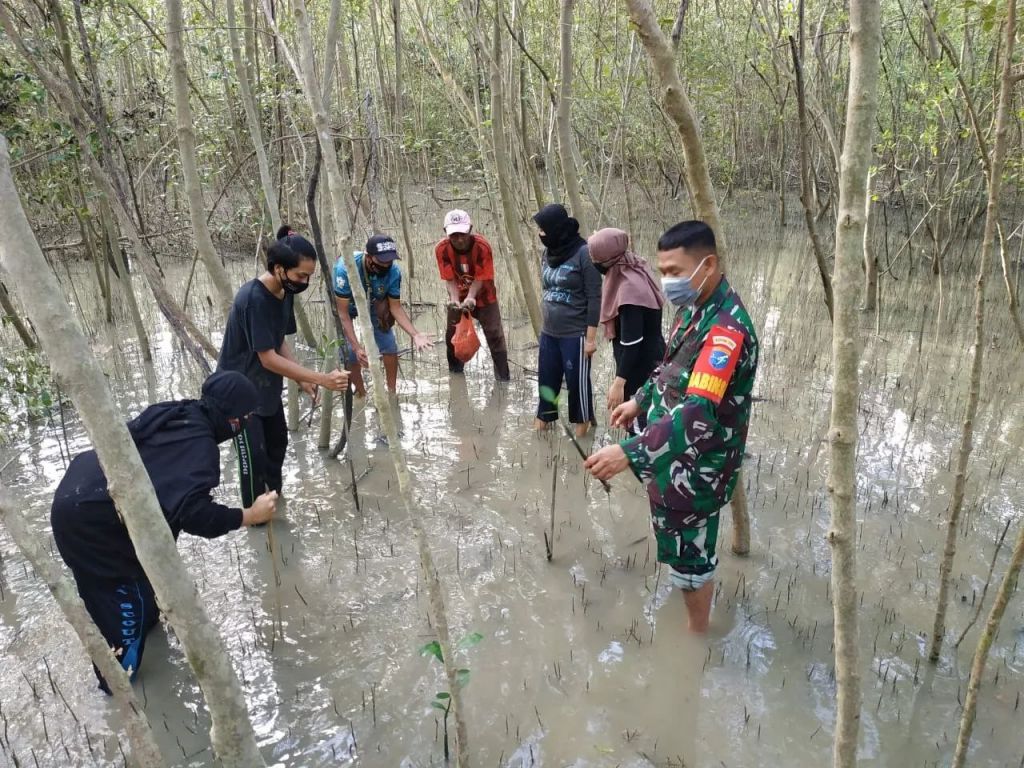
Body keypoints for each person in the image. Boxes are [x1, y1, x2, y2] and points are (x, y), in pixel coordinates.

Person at [50, 371, 279, 692]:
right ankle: (116, 692)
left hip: (81, 489)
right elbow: (196, 515)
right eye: (246, 417)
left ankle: (143, 630)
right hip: (90, 519)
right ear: (233, 419)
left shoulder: (182, 410)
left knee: (138, 590)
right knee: (124, 613)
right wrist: (249, 514)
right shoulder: (201, 446)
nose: (247, 423)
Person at [584, 221, 759, 633]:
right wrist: (638, 401)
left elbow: (698, 410)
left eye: (675, 272)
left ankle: (697, 635)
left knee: (692, 555)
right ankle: (691, 617)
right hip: (669, 451)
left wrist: (629, 451)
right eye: (662, 271)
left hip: (699, 464)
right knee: (680, 546)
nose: (667, 281)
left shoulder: (725, 332)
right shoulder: (693, 309)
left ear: (708, 264)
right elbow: (667, 369)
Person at [218, 226, 349, 507]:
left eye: (308, 276)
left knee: (277, 447)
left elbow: (278, 343)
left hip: (266, 388)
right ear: (278, 268)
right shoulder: (253, 299)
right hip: (238, 394)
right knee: (252, 461)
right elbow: (267, 357)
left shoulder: (285, 292)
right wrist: (322, 378)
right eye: (301, 275)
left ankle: (275, 503)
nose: (304, 281)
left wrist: (303, 379)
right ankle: (256, 521)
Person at [532, 203, 602, 438]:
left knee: (577, 388)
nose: (541, 234)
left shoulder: (584, 253)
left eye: (543, 229)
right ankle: (541, 433)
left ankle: (582, 438)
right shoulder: (548, 253)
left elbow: (594, 297)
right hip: (549, 333)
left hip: (576, 334)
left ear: (556, 229)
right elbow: (545, 289)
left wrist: (590, 340)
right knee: (547, 384)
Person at [333, 233, 432, 395]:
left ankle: (391, 392)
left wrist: (415, 334)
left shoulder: (393, 271)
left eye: (389, 261)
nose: (386, 265)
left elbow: (395, 307)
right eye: (381, 261)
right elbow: (343, 314)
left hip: (374, 301)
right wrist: (358, 348)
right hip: (347, 303)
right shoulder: (344, 269)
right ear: (369, 257)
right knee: (350, 352)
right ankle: (361, 392)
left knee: (389, 345)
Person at [587, 227, 665, 432]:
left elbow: (632, 343)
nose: (594, 263)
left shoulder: (628, 290)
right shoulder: (635, 268)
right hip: (651, 361)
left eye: (595, 259)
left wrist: (619, 382)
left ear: (607, 259)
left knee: (641, 431)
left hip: (641, 370)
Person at [435, 209, 510, 381]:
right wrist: (454, 299)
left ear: (470, 229)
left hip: (485, 296)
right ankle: (456, 375)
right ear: (446, 232)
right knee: (452, 336)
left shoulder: (482, 247)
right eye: (454, 235)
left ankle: (503, 379)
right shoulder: (442, 249)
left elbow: (481, 277)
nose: (459, 239)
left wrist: (471, 296)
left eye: (463, 234)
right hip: (458, 297)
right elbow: (449, 278)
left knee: (495, 335)